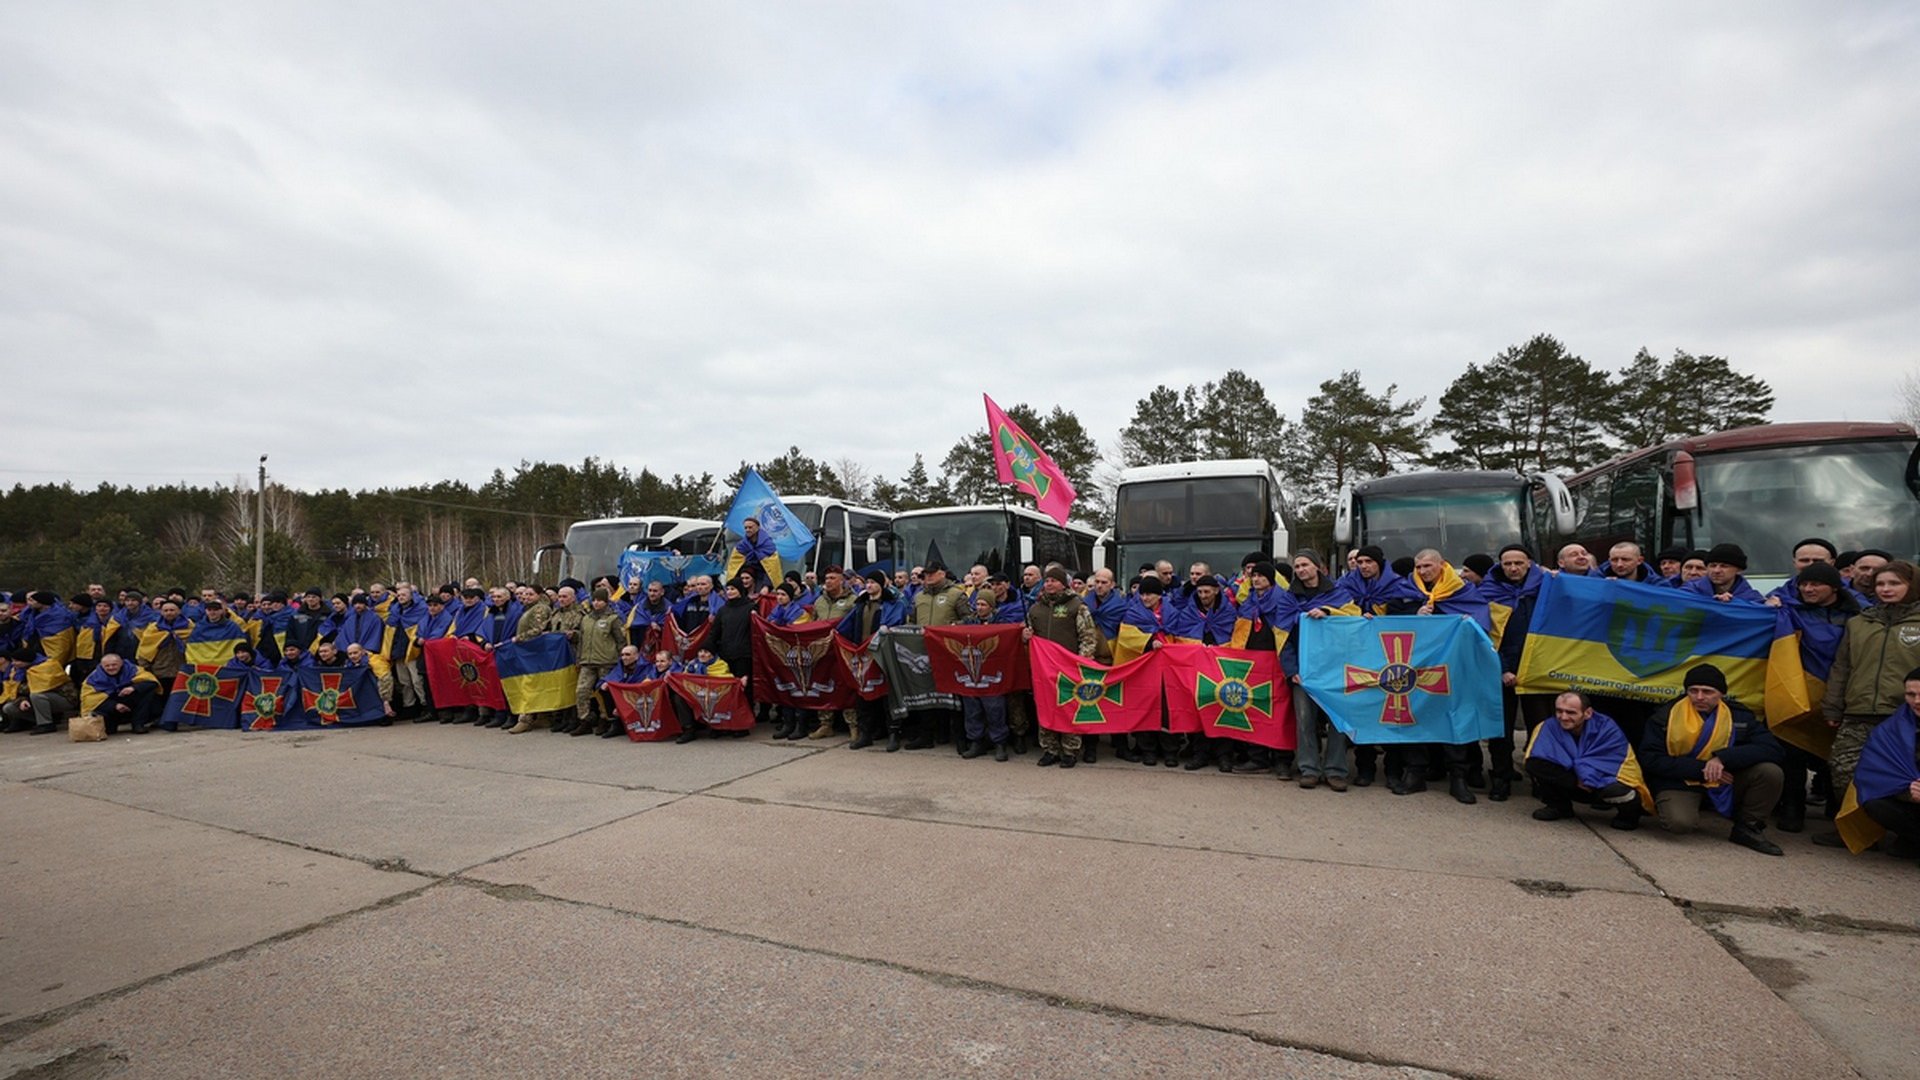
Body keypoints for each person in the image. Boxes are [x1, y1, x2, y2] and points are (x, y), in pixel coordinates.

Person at [1813, 560, 1920, 847]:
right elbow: (1842, 667)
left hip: (1905, 716)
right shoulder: (1859, 622)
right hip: (1858, 711)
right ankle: (1854, 830)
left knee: (1903, 778)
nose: (1886, 589)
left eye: (1894, 583)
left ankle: (1907, 834)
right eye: (1880, 584)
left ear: (1912, 585)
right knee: (1843, 770)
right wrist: (1833, 706)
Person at [1639, 664, 1786, 856]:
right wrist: (1704, 770)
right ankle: (1692, 805)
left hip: (1726, 778)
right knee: (1679, 824)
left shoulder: (1739, 716)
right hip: (1681, 781)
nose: (1699, 697)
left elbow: (1773, 749)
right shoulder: (1665, 715)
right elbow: (1650, 758)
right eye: (1693, 691)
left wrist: (1723, 758)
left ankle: (1748, 827)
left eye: (1707, 691)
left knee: (1770, 772)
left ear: (1721, 693)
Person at [1523, 691, 1651, 829]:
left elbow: (1619, 763)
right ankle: (1558, 806)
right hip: (1574, 783)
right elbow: (1533, 761)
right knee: (1537, 765)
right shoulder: (1548, 726)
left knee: (1620, 790)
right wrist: (1574, 780)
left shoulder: (1607, 728)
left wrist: (1586, 774)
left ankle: (1628, 816)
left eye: (1571, 712)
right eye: (1559, 711)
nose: (1563, 717)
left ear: (1588, 713)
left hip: (1601, 782)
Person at [1832, 667, 1920, 857]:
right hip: (1912, 795)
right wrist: (1909, 791)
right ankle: (1913, 839)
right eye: (1911, 695)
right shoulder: (1892, 728)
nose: (1917, 701)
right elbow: (1876, 774)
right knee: (1874, 802)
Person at [1024, 565, 1097, 768]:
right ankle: (1050, 749)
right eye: (1047, 580)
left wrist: (1082, 662)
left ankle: (1070, 750)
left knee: (1068, 707)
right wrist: (1025, 636)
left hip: (1069, 667)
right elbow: (1029, 635)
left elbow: (1088, 636)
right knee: (1046, 706)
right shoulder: (1035, 608)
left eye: (1054, 580)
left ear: (1063, 584)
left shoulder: (1077, 606)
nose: (1049, 584)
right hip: (1043, 669)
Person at [1286, 550, 1347, 789]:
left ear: (1318, 566)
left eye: (1305, 565)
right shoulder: (1288, 598)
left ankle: (1336, 771)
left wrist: (1329, 613)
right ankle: (1309, 768)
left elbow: (1352, 619)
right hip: (1303, 671)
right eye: (1297, 566)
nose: (1300, 570)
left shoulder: (1339, 594)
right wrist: (1291, 669)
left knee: (1337, 720)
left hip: (1334, 669)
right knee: (1304, 721)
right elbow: (1283, 637)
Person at [837, 570, 906, 750]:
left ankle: (893, 733)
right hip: (863, 655)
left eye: (873, 582)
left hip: (883, 655)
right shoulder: (860, 604)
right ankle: (865, 733)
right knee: (863, 695)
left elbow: (896, 622)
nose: (869, 585)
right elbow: (846, 625)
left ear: (881, 585)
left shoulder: (892, 603)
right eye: (867, 582)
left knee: (887, 695)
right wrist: (836, 634)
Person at [957, 594, 1012, 761]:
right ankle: (976, 741)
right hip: (971, 672)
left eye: (984, 604)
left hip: (991, 673)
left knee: (995, 709)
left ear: (991, 606)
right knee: (972, 709)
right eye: (978, 604)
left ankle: (999, 742)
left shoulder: (1000, 621)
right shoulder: (968, 621)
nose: (979, 607)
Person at [571, 587, 627, 737]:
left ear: (606, 601)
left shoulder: (613, 618)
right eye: (594, 600)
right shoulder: (586, 619)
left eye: (600, 600)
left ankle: (605, 719)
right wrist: (579, 659)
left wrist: (621, 659)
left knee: (603, 693)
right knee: (581, 691)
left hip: (606, 661)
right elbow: (582, 640)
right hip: (587, 661)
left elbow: (620, 640)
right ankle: (585, 719)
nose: (596, 603)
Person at [505, 585, 553, 734]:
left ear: (539, 595)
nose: (526, 597)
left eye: (530, 594)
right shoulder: (529, 609)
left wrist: (519, 638)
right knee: (533, 684)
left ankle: (525, 719)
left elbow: (538, 629)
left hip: (534, 650)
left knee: (528, 685)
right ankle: (542, 716)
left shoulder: (540, 609)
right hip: (528, 651)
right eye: (525, 594)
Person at [1684, 544, 1765, 604]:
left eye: (1724, 566)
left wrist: (1734, 603)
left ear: (1739, 570)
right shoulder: (1689, 590)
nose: (1716, 570)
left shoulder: (1752, 599)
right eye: (1712, 565)